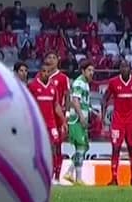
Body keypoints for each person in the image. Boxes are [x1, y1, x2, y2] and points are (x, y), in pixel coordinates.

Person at [103, 59, 132, 186]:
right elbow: (105, 98)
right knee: (115, 148)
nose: (124, 69)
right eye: (122, 67)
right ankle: (114, 178)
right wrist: (104, 115)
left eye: (126, 66)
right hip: (118, 120)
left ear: (130, 68)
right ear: (119, 69)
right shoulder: (113, 82)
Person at [28, 65, 65, 182]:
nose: (46, 74)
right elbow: (29, 103)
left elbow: (56, 106)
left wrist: (64, 121)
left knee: (55, 146)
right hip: (39, 122)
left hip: (51, 123)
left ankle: (54, 175)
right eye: (44, 71)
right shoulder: (33, 86)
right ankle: (37, 174)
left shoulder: (53, 87)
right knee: (38, 149)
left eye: (48, 72)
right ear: (40, 72)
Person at [66, 61, 95, 184]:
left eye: (92, 71)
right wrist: (82, 116)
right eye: (89, 70)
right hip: (77, 119)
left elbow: (83, 102)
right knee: (82, 146)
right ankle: (76, 177)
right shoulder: (79, 83)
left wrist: (91, 111)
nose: (91, 73)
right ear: (83, 71)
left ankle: (71, 174)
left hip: (81, 118)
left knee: (82, 147)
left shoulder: (85, 84)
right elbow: (75, 101)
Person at [44, 53, 71, 181]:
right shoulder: (41, 77)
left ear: (58, 60)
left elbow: (67, 96)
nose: (51, 60)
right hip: (43, 117)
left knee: (57, 147)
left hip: (58, 117)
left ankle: (57, 176)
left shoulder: (62, 78)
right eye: (49, 57)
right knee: (45, 147)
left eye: (53, 57)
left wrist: (67, 114)